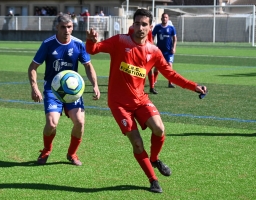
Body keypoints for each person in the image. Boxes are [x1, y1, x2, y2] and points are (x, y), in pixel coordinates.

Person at [86, 9, 207, 193]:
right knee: (137, 143)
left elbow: (170, 74)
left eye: (144, 24)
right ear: (132, 25)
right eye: (137, 23)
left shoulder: (154, 51)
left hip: (140, 99)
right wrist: (91, 40)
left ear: (151, 27)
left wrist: (193, 86)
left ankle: (154, 159)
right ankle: (153, 179)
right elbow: (93, 50)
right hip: (118, 104)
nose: (140, 27)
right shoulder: (120, 41)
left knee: (159, 129)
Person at [28, 14, 100, 166]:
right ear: (57, 27)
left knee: (80, 122)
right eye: (63, 27)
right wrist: (34, 87)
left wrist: (95, 85)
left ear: (72, 27)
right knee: (51, 124)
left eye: (69, 27)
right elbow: (33, 67)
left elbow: (88, 66)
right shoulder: (48, 44)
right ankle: (46, 150)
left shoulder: (78, 44)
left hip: (73, 91)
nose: (67, 30)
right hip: (52, 90)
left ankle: (72, 154)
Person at [152, 13, 177, 89]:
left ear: (168, 19)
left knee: (169, 66)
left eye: (166, 17)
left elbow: (175, 39)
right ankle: (154, 81)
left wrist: (174, 47)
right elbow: (152, 37)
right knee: (157, 67)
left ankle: (170, 82)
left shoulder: (171, 28)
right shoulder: (157, 27)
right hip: (159, 51)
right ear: (161, 18)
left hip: (169, 51)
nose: (164, 19)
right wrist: (152, 46)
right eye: (163, 17)